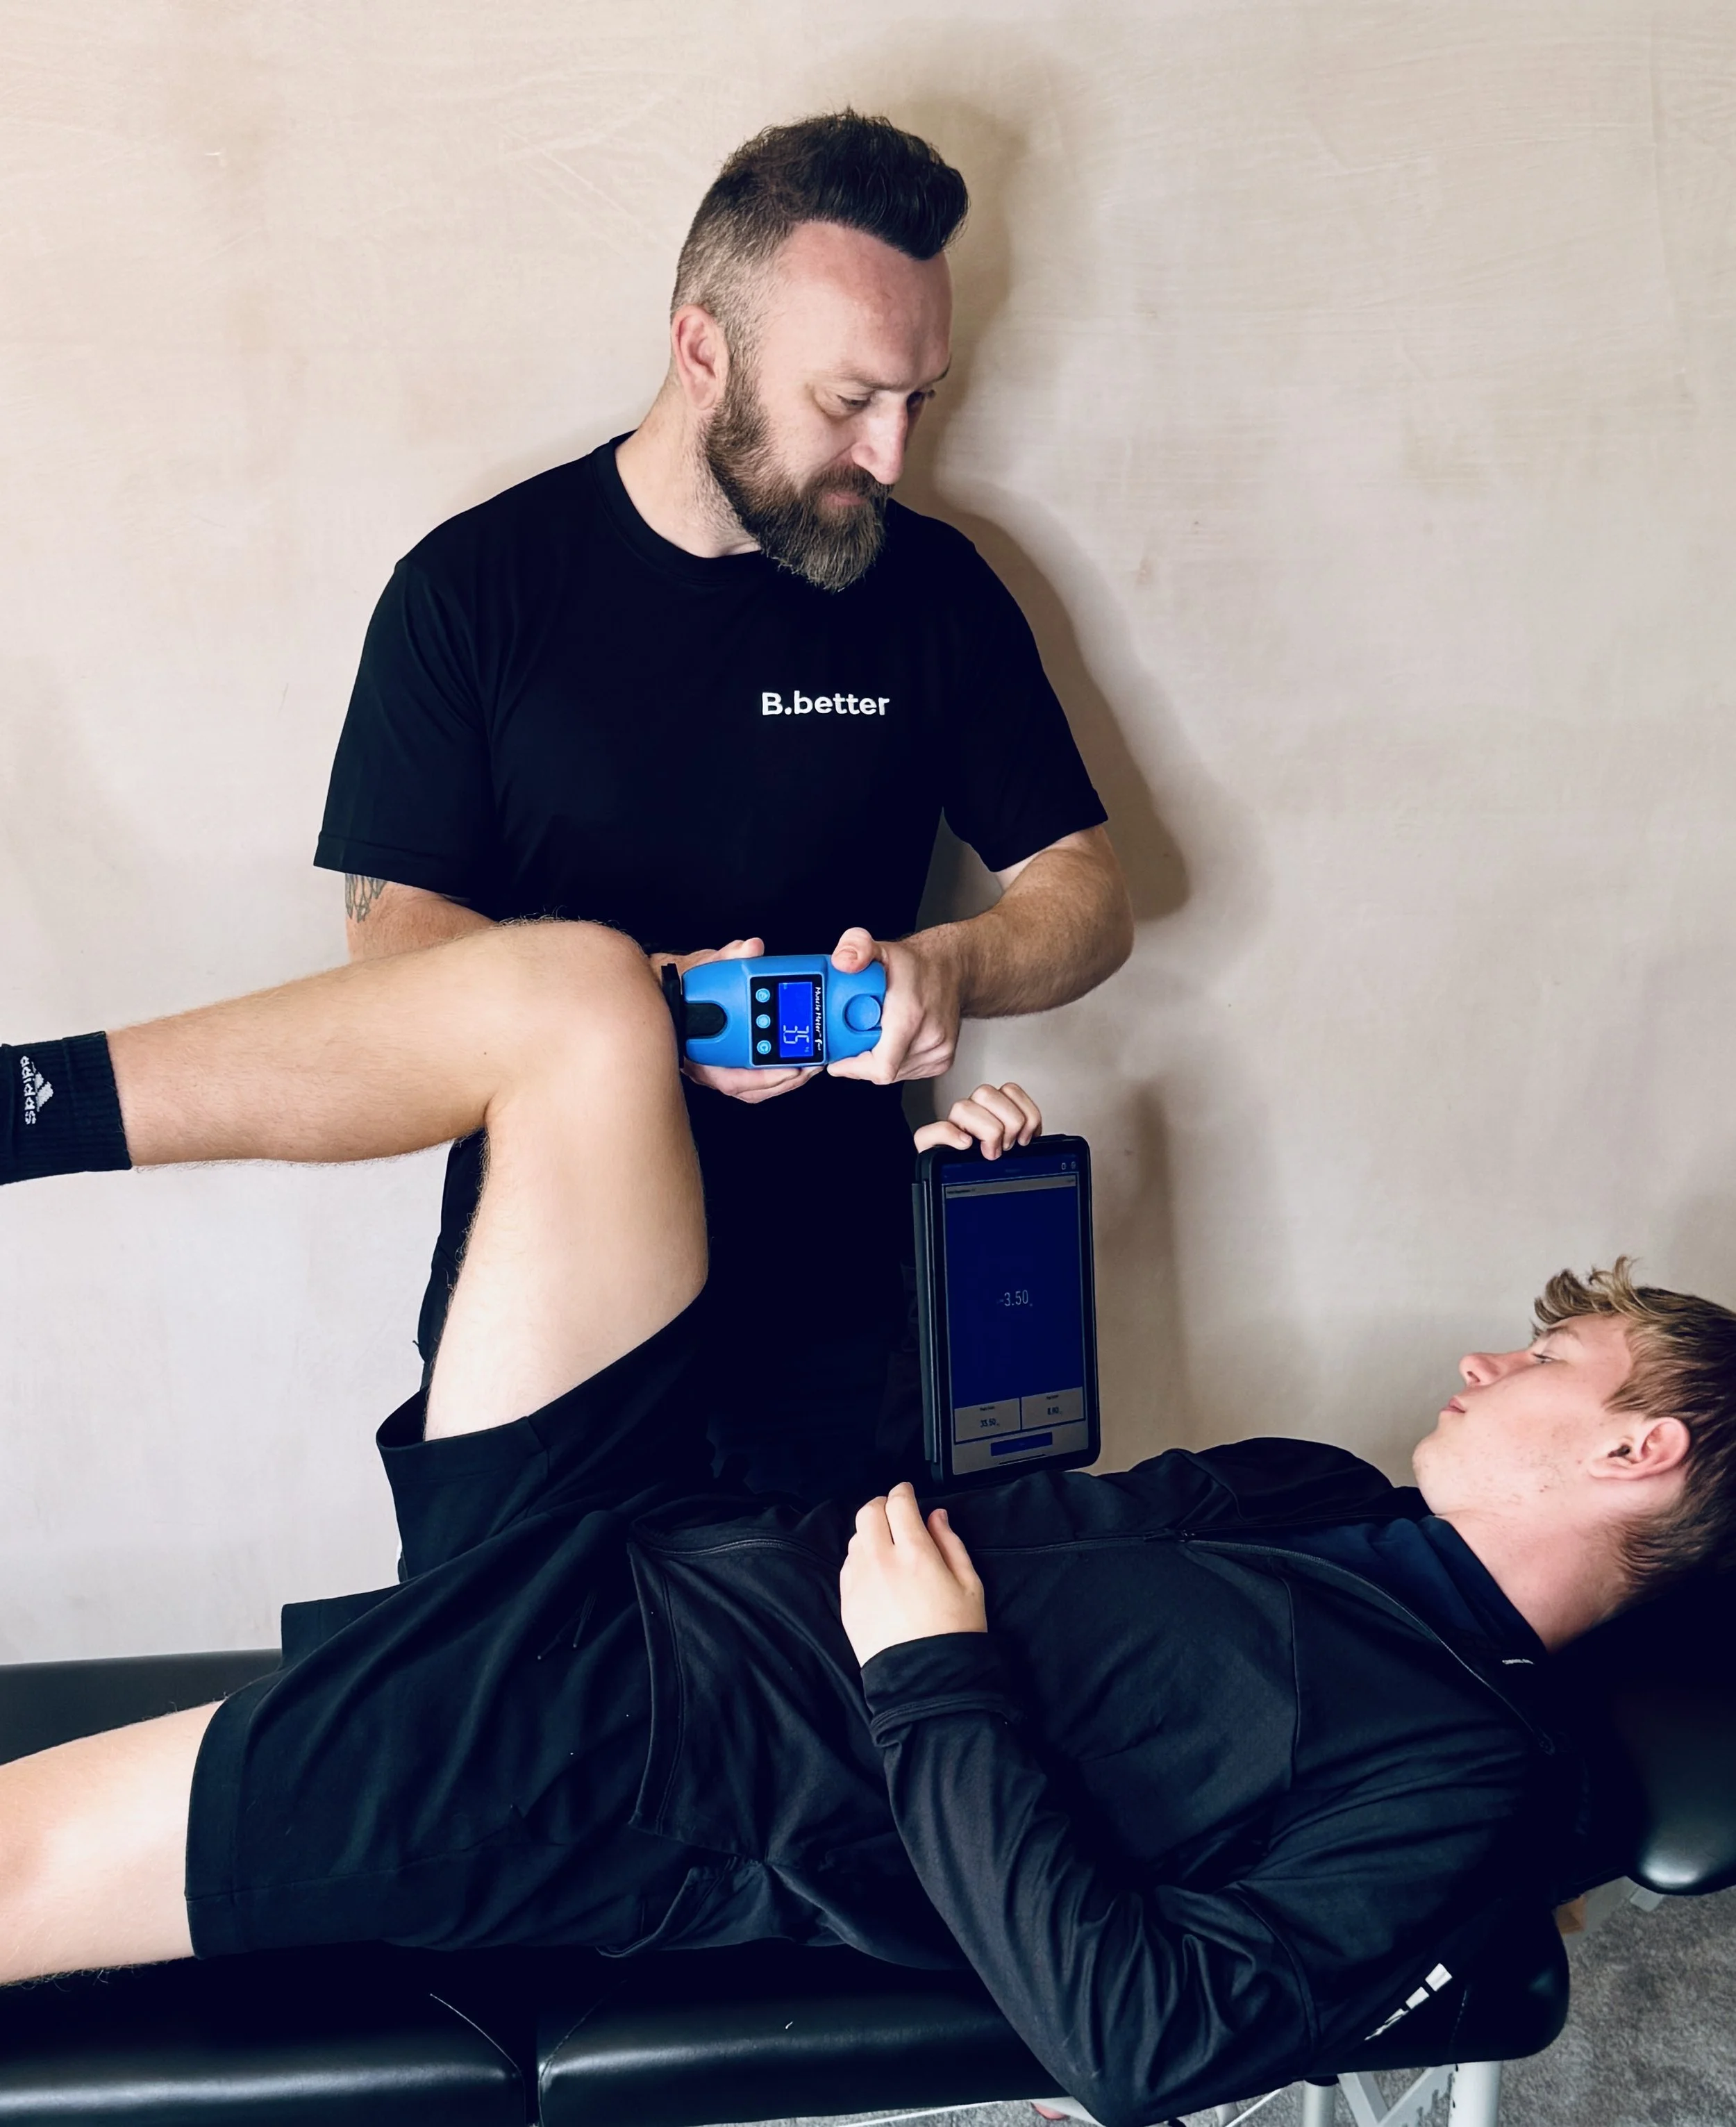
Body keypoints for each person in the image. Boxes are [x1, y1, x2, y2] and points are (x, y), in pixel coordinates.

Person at [3, 925, 1732, 2127]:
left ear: (1637, 1450)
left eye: (1544, 1361)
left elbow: (1139, 2042)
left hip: (638, 1744)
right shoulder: (1318, 1490)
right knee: (579, 1001)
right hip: (659, 1532)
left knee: (23, 1859)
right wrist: (956, 1256)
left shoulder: (1462, 1767)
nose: (1482, 1360)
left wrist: (931, 1674)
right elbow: (973, 1510)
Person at [313, 110, 1134, 1501]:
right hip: (545, 1299)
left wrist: (953, 965)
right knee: (520, 1644)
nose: (890, 454)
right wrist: (651, 1012)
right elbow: (392, 957)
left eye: (918, 400)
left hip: (843, 1318)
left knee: (849, 1642)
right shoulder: (472, 592)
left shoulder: (934, 592)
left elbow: (1087, 891)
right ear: (703, 352)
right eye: (849, 400)